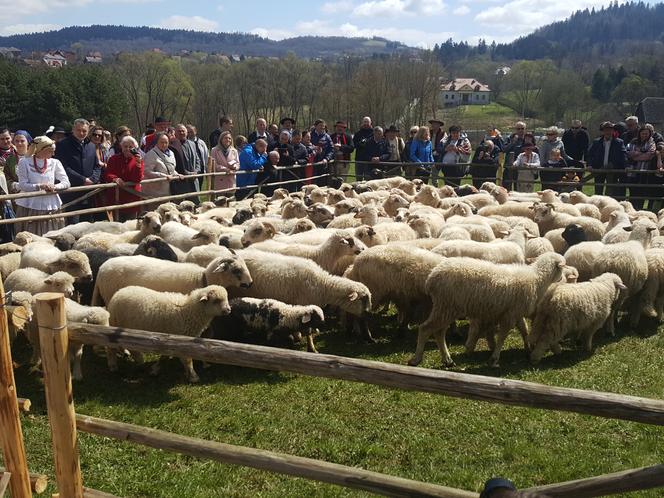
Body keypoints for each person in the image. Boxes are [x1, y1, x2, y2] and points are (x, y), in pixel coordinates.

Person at [15, 136, 70, 235]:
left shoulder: (55, 163)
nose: (53, 154)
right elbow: (23, 185)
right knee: (30, 234)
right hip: (29, 205)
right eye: (50, 151)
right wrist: (39, 186)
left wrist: (55, 187)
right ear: (40, 149)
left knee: (51, 234)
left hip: (50, 204)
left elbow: (66, 182)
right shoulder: (24, 162)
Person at [54, 118, 102, 223]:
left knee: (87, 224)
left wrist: (94, 179)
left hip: (89, 192)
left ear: (88, 131)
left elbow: (97, 165)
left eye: (84, 131)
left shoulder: (91, 146)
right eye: (78, 130)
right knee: (73, 225)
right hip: (71, 192)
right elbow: (63, 167)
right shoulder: (62, 145)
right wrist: (82, 180)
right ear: (73, 130)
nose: (81, 133)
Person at [103, 136, 144, 221]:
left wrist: (138, 165)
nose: (127, 149)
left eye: (130, 147)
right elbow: (107, 174)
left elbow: (137, 179)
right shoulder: (113, 159)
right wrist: (115, 179)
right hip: (116, 198)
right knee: (116, 225)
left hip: (131, 198)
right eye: (125, 146)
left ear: (135, 148)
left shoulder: (138, 160)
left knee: (130, 224)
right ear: (121, 147)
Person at [587, 121, 627, 196]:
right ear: (603, 131)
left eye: (610, 130)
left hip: (612, 170)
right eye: (606, 130)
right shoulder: (596, 142)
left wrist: (626, 166)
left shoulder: (619, 142)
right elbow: (590, 154)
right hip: (598, 169)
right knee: (598, 191)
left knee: (610, 191)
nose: (608, 132)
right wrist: (589, 165)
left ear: (613, 131)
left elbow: (623, 155)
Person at [626, 126, 657, 210]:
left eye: (646, 134)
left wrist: (636, 155)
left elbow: (650, 155)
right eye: (643, 133)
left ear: (649, 134)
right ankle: (631, 209)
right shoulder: (633, 141)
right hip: (633, 170)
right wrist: (641, 153)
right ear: (639, 134)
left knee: (641, 191)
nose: (644, 135)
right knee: (632, 191)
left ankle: (639, 208)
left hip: (644, 171)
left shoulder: (652, 143)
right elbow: (628, 152)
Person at [143, 132, 181, 200]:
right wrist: (162, 175)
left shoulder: (171, 153)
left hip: (168, 190)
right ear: (156, 142)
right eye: (161, 142)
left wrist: (177, 174)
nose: (164, 145)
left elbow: (170, 168)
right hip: (155, 193)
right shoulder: (151, 154)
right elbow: (146, 171)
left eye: (166, 142)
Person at [170, 124, 202, 202]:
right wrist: (188, 174)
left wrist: (196, 171)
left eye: (183, 131)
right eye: (179, 131)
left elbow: (198, 160)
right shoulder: (172, 146)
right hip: (180, 183)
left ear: (186, 132)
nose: (181, 133)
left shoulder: (192, 144)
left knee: (196, 205)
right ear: (175, 133)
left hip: (193, 182)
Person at [210, 131, 239, 197]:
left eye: (229, 138)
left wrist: (235, 167)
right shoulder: (214, 150)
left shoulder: (234, 151)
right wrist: (226, 169)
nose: (228, 140)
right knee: (220, 203)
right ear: (221, 139)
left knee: (231, 202)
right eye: (225, 138)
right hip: (220, 180)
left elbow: (238, 163)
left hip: (231, 180)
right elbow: (214, 164)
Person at [502, 121, 527, 190]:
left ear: (525, 129)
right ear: (515, 130)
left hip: (521, 168)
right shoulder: (509, 138)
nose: (520, 130)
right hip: (509, 167)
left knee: (518, 190)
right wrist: (513, 142)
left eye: (522, 128)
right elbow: (504, 150)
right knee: (506, 189)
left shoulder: (527, 139)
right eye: (518, 129)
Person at [310, 119, 334, 186]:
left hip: (322, 164)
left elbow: (331, 149)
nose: (322, 127)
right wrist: (313, 149)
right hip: (312, 163)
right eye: (320, 125)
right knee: (312, 182)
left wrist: (326, 158)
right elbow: (306, 146)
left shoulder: (327, 137)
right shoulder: (310, 135)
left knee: (322, 182)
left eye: (323, 126)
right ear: (315, 126)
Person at [187, 124, 209, 190]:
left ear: (195, 132)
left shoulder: (201, 142)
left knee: (200, 185)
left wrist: (207, 166)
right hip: (192, 168)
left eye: (191, 132)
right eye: (188, 132)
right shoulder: (186, 143)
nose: (190, 134)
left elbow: (206, 154)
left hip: (201, 168)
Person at [353, 116, 374, 181]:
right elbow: (354, 145)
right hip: (359, 159)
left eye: (367, 122)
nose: (366, 124)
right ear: (362, 123)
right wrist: (360, 143)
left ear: (370, 123)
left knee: (368, 179)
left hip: (369, 160)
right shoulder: (358, 133)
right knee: (358, 178)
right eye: (364, 122)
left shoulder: (373, 133)